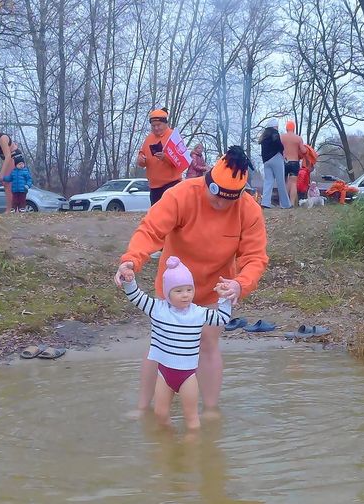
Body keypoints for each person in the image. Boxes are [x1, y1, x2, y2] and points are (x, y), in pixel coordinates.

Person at [114, 145, 269, 414]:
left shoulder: (250, 210)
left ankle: (209, 411)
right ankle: (143, 408)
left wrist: (240, 284)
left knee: (208, 344)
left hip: (216, 289)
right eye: (215, 196)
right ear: (208, 180)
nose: (220, 204)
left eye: (227, 200)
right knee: (160, 344)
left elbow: (255, 258)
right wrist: (131, 260)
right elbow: (150, 231)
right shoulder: (181, 194)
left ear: (239, 194)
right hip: (173, 288)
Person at [120, 256, 231, 430]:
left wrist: (224, 298)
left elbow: (222, 318)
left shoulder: (199, 313)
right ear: (167, 293)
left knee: (191, 419)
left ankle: (191, 448)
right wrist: (129, 280)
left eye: (189, 289)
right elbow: (136, 297)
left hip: (187, 376)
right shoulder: (157, 309)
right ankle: (168, 442)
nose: (185, 295)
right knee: (160, 414)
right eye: (178, 291)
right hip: (164, 374)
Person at [137, 108, 182, 205]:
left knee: (170, 215)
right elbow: (141, 155)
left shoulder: (173, 136)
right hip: (154, 186)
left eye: (158, 125)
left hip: (171, 184)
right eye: (153, 126)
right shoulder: (149, 138)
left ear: (165, 123)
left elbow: (181, 162)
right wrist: (141, 160)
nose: (156, 128)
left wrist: (165, 157)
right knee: (156, 216)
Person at [0, 117, 22, 214]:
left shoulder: (3, 138)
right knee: (7, 184)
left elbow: (8, 156)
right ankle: (13, 209)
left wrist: (2, 173)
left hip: (15, 157)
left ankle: (11, 209)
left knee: (7, 183)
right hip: (7, 158)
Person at [259, 119, 291, 209]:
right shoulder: (275, 133)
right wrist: (282, 149)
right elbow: (278, 144)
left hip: (266, 161)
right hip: (276, 158)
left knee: (268, 181)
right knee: (280, 181)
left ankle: (265, 203)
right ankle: (285, 204)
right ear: (274, 126)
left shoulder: (264, 136)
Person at [280, 120, 307, 207]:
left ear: (286, 128)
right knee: (293, 183)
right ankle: (291, 203)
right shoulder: (298, 138)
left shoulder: (281, 137)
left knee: (284, 182)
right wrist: (307, 149)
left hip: (284, 162)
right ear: (294, 128)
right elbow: (303, 151)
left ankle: (283, 203)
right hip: (294, 162)